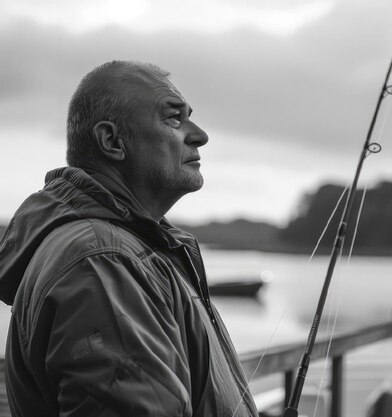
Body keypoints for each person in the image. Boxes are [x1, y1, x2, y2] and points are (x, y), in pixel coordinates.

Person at [0, 60, 259, 417]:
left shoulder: (130, 250)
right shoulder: (103, 261)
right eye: (174, 118)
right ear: (112, 141)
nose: (200, 134)